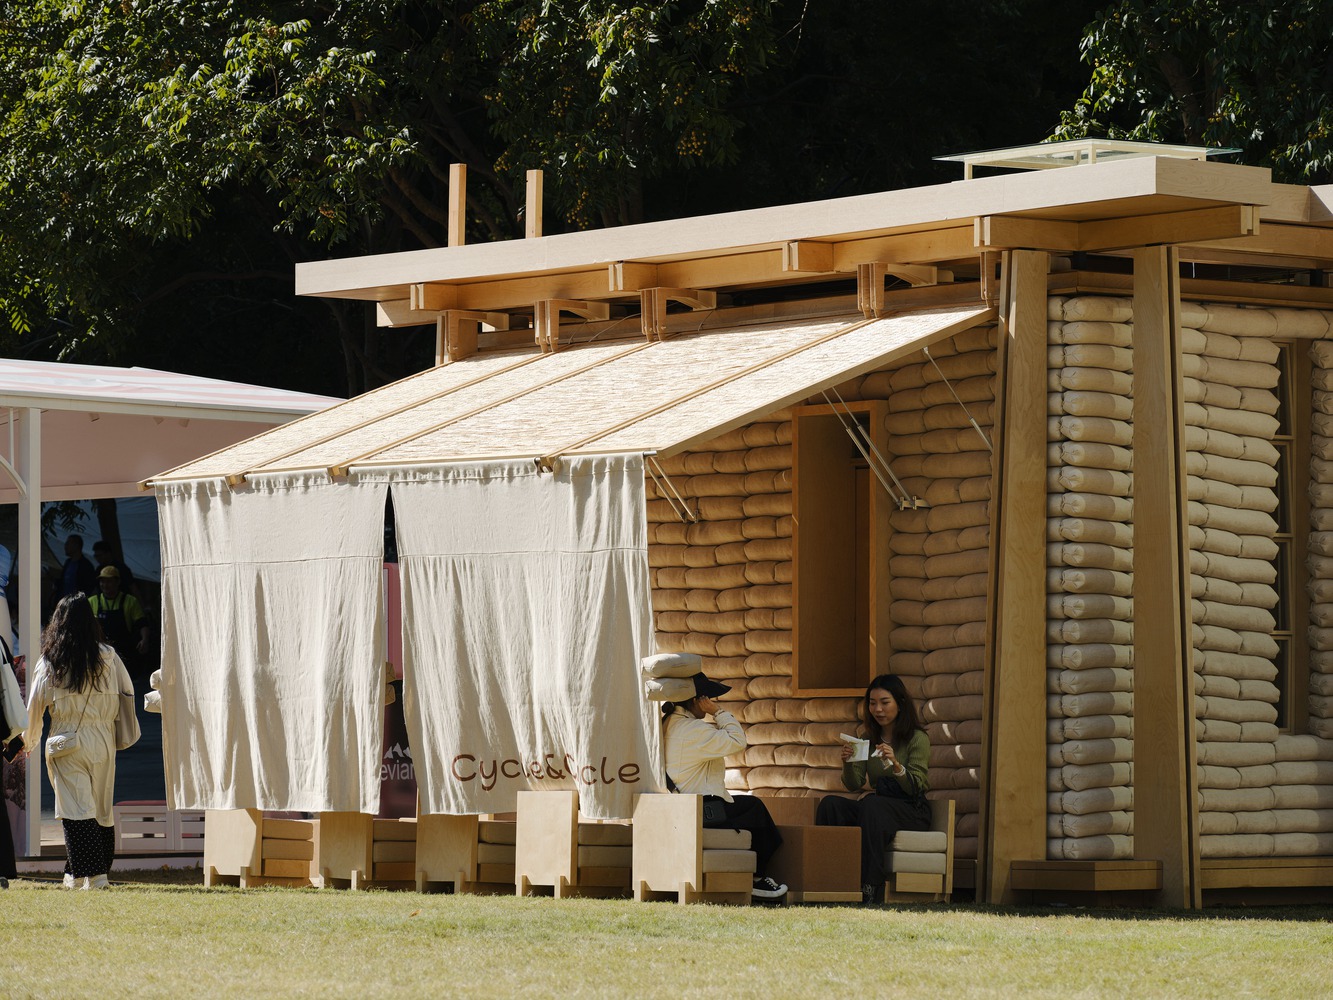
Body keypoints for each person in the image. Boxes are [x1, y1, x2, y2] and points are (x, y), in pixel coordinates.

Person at [23, 593, 134, 890]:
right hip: (103, 740)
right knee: (100, 807)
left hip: (64, 741)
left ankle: (95, 877)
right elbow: (127, 693)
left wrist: (29, 741)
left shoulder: (51, 660)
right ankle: (75, 875)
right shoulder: (109, 656)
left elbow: (35, 707)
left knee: (75, 808)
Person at [661, 672, 787, 901]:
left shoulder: (668, 724)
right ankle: (757, 879)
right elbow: (737, 740)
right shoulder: (693, 731)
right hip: (699, 809)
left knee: (747, 806)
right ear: (696, 700)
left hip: (680, 806)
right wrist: (717, 712)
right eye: (706, 697)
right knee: (755, 808)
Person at [815, 673, 931, 904]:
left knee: (871, 804)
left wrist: (897, 765)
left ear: (900, 703)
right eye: (872, 703)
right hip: (878, 807)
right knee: (831, 804)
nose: (878, 709)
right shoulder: (866, 739)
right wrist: (848, 762)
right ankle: (831, 880)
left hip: (911, 809)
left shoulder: (916, 738)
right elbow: (854, 784)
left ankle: (870, 886)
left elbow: (917, 785)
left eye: (885, 702)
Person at [88, 566, 150, 670]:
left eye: (109, 581)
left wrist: (145, 639)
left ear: (118, 582)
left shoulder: (130, 601)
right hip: (101, 652)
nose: (105, 585)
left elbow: (142, 623)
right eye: (102, 581)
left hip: (125, 651)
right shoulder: (91, 601)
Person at [54, 535, 97, 604]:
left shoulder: (86, 565)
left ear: (76, 545)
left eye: (68, 544)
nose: (65, 547)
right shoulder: (67, 562)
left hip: (78, 605)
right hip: (65, 603)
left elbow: (89, 587)